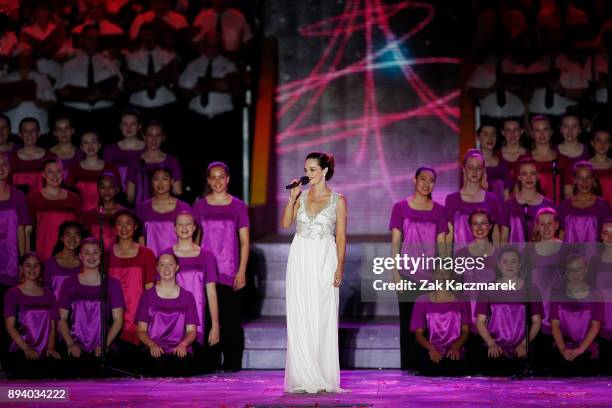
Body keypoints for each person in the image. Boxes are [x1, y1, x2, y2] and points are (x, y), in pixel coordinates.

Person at [281, 152, 346, 393]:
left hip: (324, 259)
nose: (307, 174)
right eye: (306, 169)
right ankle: (302, 375)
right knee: (300, 314)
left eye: (312, 170)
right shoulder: (300, 196)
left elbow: (340, 237)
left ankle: (322, 375)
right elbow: (286, 223)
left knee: (322, 314)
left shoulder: (338, 200)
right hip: (300, 257)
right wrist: (291, 199)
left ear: (325, 171)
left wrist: (340, 267)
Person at [388, 166, 448, 370]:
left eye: (431, 180)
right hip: (407, 274)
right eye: (422, 179)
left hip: (431, 276)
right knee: (407, 322)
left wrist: (443, 277)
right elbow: (396, 243)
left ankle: (426, 364)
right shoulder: (400, 207)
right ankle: (408, 366)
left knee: (427, 323)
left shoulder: (440, 211)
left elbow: (442, 247)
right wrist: (395, 274)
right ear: (415, 180)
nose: (426, 183)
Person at [192, 162, 249, 371]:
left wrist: (242, 270)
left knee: (231, 319)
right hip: (206, 271)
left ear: (228, 179)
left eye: (221, 177)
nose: (217, 181)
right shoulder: (199, 206)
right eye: (213, 177)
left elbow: (244, 240)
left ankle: (232, 362)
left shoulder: (238, 205)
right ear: (208, 180)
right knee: (207, 318)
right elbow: (194, 238)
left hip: (229, 270)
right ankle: (209, 362)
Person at [57, 237, 125, 377]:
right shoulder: (69, 283)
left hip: (103, 346)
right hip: (75, 345)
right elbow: (61, 319)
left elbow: (118, 320)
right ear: (80, 256)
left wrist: (105, 345)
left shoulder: (112, 284)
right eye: (87, 252)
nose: (91, 256)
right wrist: (70, 344)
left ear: (101, 255)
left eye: (95, 252)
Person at [164, 211, 220, 373]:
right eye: (180, 224)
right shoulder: (166, 256)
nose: (184, 228)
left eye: (188, 224)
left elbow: (211, 293)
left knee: (198, 368)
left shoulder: (206, 256)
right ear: (174, 228)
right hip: (172, 320)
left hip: (198, 319)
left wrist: (215, 326)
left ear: (195, 227)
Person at [475, 246, 543, 375]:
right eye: (505, 261)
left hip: (521, 346)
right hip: (496, 345)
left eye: (514, 261)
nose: (509, 265)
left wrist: (525, 343)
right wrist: (490, 343)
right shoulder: (488, 289)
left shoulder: (531, 289)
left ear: (520, 264)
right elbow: (480, 321)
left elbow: (536, 322)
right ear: (499, 265)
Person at [136, 253, 198, 377]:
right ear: (157, 268)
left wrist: (183, 345)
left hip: (179, 348)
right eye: (162, 265)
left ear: (177, 267)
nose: (166, 268)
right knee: (156, 367)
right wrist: (152, 345)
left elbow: (192, 331)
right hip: (154, 348)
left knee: (181, 368)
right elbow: (141, 330)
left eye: (170, 265)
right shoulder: (147, 295)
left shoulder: (187, 296)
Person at [108, 209, 156, 368]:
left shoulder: (146, 254)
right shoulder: (106, 253)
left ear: (135, 227)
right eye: (119, 224)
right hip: (112, 315)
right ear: (114, 227)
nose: (123, 228)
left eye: (128, 223)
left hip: (137, 316)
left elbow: (150, 288)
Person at [3, 253, 61, 378]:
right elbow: (10, 327)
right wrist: (26, 349)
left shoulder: (49, 294)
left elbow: (52, 325)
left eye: (36, 265)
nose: (32, 269)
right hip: (21, 349)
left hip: (44, 351)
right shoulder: (12, 294)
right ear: (21, 269)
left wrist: (50, 348)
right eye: (28, 265)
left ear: (40, 269)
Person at [550, 253, 603, 375]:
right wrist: (563, 349)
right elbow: (555, 325)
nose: (575, 273)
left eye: (578, 269)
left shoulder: (596, 294)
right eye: (571, 270)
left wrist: (580, 350)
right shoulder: (557, 294)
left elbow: (596, 325)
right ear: (566, 272)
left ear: (586, 270)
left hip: (586, 348)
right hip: (562, 346)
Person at [410, 268, 470, 376]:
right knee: (432, 370)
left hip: (454, 348)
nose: (441, 276)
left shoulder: (462, 299)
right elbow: (418, 334)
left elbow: (465, 331)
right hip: (431, 348)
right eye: (438, 272)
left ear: (452, 277)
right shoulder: (421, 300)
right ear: (432, 276)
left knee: (453, 370)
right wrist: (431, 349)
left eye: (446, 273)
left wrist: (455, 348)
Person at [445, 149, 502, 251]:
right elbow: (449, 235)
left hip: (486, 258)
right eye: (470, 167)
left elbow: (496, 235)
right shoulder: (452, 199)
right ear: (464, 169)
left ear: (483, 170)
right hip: (461, 260)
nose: (474, 171)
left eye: (478, 167)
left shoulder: (491, 199)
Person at [26, 158, 82, 261]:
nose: (55, 175)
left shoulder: (74, 199)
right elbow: (28, 231)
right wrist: (28, 257)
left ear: (63, 173)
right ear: (43, 174)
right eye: (50, 172)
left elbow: (79, 231)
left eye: (58, 171)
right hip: (43, 255)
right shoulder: (33, 198)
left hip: (69, 256)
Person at [136, 166, 190, 257]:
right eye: (156, 179)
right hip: (151, 261)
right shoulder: (143, 208)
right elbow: (141, 238)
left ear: (171, 181)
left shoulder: (183, 208)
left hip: (177, 261)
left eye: (164, 179)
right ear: (151, 182)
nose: (160, 183)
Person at [558, 162, 610, 256]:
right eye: (580, 178)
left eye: (588, 178)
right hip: (570, 262)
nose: (584, 182)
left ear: (593, 179)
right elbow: (561, 237)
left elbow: (608, 236)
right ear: (574, 180)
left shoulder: (602, 205)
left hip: (595, 260)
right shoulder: (564, 206)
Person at [126, 121, 182, 204]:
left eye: (158, 135)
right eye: (150, 135)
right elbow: (130, 196)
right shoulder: (134, 161)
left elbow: (177, 192)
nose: (154, 139)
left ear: (163, 137)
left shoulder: (172, 161)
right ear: (144, 137)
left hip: (165, 209)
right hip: (141, 212)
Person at [65, 130, 121, 214]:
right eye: (86, 142)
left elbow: (117, 193)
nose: (90, 145)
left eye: (93, 142)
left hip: (106, 215)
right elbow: (69, 196)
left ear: (99, 145)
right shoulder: (74, 170)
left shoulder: (111, 168)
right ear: (81, 147)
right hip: (81, 215)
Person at [500, 158, 554, 244]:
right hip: (515, 255)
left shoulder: (548, 205)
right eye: (524, 174)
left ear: (538, 176)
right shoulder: (509, 205)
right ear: (519, 177)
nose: (529, 177)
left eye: (532, 173)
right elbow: (504, 238)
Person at [0, 152, 30, 288]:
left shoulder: (18, 196)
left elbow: (22, 231)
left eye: (5, 164)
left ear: (10, 168)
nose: (1, 169)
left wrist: (24, 263)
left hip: (11, 264)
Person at [102, 109, 145, 192]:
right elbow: (105, 178)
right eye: (125, 124)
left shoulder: (148, 149)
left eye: (133, 124)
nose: (129, 127)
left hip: (144, 197)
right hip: (117, 197)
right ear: (120, 126)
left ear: (139, 126)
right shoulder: (110, 151)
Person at [10, 117, 56, 194]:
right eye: (25, 131)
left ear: (39, 133)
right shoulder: (11, 158)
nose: (29, 134)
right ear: (20, 135)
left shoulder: (50, 157)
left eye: (33, 131)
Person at [82, 173, 124, 250]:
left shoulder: (126, 213)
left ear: (117, 189)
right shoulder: (89, 216)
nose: (107, 190)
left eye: (111, 187)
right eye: (102, 187)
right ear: (98, 189)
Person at [43, 221, 83, 301]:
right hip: (56, 311)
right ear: (61, 237)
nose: (73, 239)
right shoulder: (50, 264)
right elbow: (45, 294)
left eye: (77, 235)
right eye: (68, 234)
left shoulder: (84, 263)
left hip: (79, 312)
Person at [593, 220, 612, 372]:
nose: (610, 238)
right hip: (601, 321)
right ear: (601, 237)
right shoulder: (595, 260)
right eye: (606, 233)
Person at [477, 121, 512, 204]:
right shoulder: (471, 164)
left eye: (493, 134)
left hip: (499, 211)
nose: (490, 138)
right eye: (486, 134)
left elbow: (506, 197)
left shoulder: (503, 164)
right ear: (477, 137)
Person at [558, 112, 589, 199]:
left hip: (585, 202)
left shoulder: (589, 152)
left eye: (574, 126)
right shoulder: (552, 152)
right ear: (560, 129)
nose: (570, 130)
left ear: (580, 129)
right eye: (566, 126)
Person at [588, 129, 611, 204]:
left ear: (610, 144)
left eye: (606, 141)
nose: (602, 144)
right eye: (598, 140)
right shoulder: (586, 166)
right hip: (594, 208)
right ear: (592, 143)